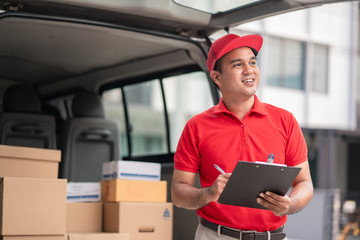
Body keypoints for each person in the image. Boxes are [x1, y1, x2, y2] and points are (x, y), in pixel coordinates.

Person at [171, 34, 314, 240]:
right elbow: (178, 193)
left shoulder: (285, 120)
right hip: (215, 236)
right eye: (238, 65)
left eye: (253, 62)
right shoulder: (196, 127)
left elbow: (305, 183)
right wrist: (208, 193)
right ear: (217, 77)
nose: (249, 70)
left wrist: (290, 204)